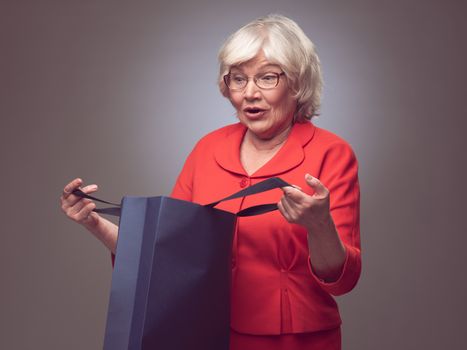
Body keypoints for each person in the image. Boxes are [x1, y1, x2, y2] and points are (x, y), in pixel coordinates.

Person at [60, 14, 361, 350]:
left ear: (297, 83)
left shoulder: (331, 153)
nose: (250, 93)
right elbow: (168, 257)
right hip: (204, 331)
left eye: (267, 78)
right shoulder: (208, 148)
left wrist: (320, 225)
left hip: (295, 340)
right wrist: (95, 224)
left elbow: (341, 279)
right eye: (238, 79)